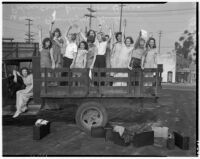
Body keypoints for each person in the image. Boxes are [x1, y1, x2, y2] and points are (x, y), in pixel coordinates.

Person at [113, 20, 134, 86]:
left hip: (126, 63)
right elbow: (122, 36)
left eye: (129, 41)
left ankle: (124, 88)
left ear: (131, 42)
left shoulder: (131, 48)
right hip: (119, 62)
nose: (128, 42)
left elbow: (130, 57)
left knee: (124, 75)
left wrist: (129, 65)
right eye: (127, 41)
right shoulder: (123, 45)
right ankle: (116, 87)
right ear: (125, 41)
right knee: (118, 74)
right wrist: (124, 27)